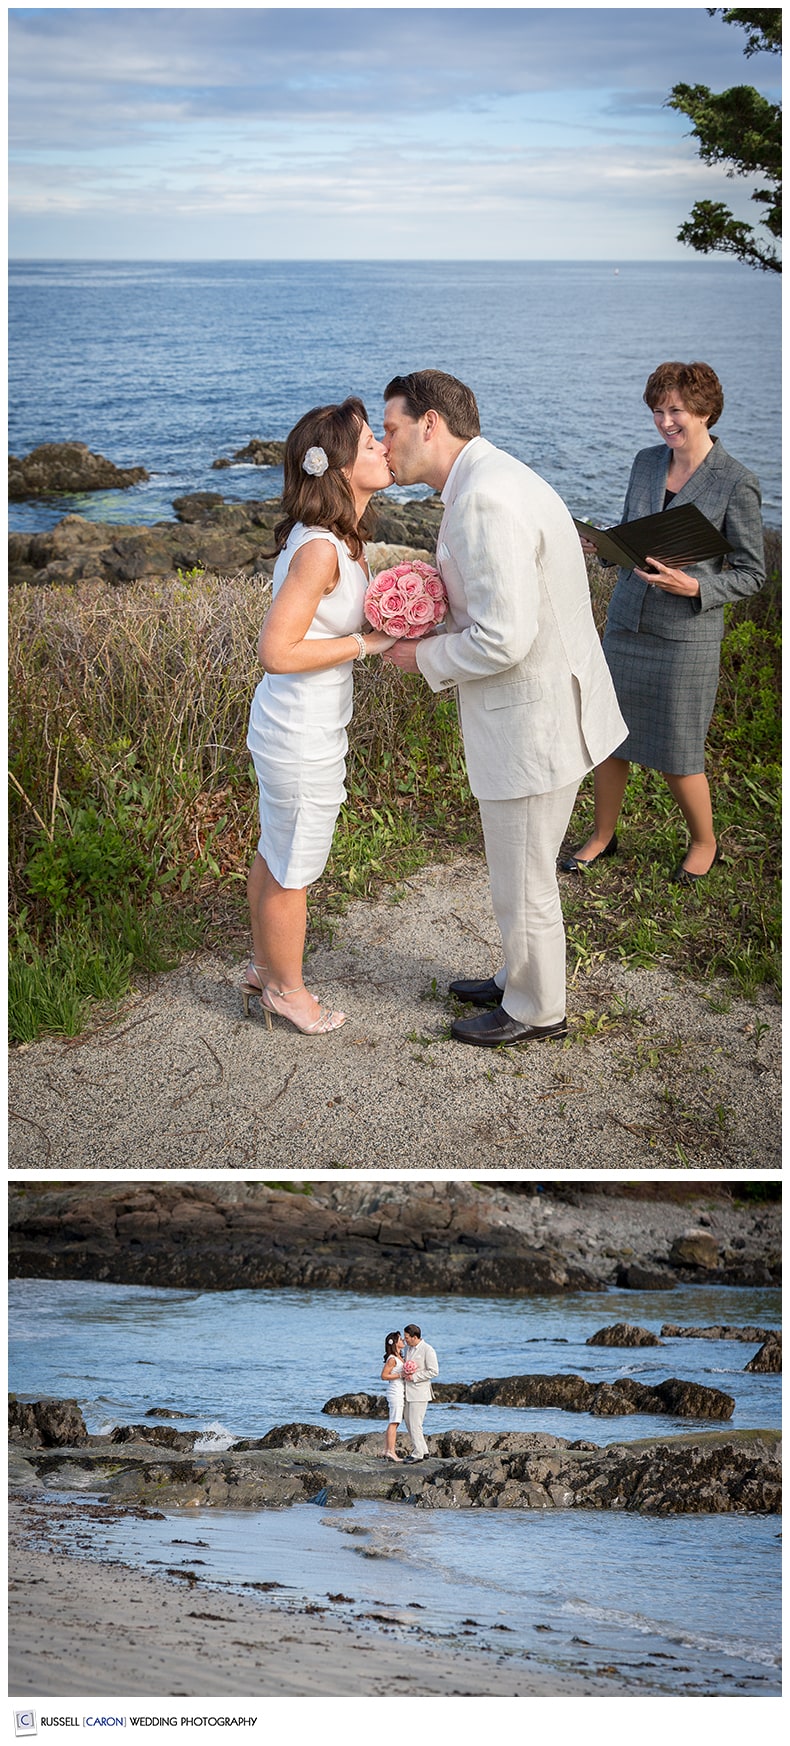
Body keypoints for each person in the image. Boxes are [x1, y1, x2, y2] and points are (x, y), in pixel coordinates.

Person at [381, 369, 627, 1048]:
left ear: (430, 424)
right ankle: (516, 974)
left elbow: (504, 638)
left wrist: (422, 656)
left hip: (534, 721)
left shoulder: (482, 499)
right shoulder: (499, 475)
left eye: (392, 427)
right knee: (522, 867)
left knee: (522, 877)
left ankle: (536, 1009)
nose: (384, 441)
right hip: (555, 704)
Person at [560, 360, 765, 882]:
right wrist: (605, 546)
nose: (664, 421)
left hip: (685, 639)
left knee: (679, 751)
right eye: (657, 410)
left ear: (705, 411)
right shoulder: (646, 463)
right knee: (608, 739)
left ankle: (705, 842)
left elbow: (751, 574)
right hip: (627, 624)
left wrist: (695, 585)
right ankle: (603, 836)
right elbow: (635, 534)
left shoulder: (736, 482)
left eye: (675, 410)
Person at [242, 398, 394, 1035]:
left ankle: (263, 966)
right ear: (336, 469)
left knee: (276, 851)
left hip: (302, 724)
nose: (385, 447)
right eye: (369, 445)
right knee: (293, 863)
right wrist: (367, 643)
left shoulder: (337, 539)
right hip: (299, 731)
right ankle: (286, 989)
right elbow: (276, 651)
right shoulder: (321, 552)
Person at [401, 1322, 439, 1461]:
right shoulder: (408, 1349)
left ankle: (418, 1454)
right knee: (409, 1422)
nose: (405, 1340)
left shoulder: (427, 1349)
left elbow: (434, 1371)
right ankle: (424, 1450)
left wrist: (414, 1377)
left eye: (406, 1337)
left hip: (420, 1392)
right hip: (408, 1391)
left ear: (414, 1336)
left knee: (415, 1423)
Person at [380, 1331, 405, 1461]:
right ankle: (390, 1451)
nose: (403, 1341)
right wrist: (400, 1375)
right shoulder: (392, 1359)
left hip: (400, 1390)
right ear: (394, 1343)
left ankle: (386, 1449)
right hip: (395, 1391)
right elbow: (384, 1375)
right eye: (400, 1340)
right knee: (394, 1421)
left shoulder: (400, 1357)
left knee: (396, 1421)